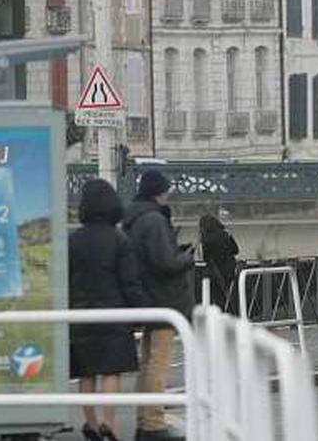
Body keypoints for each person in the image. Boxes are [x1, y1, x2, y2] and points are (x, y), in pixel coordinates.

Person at [70, 179, 149, 441]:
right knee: (111, 371)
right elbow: (129, 281)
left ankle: (90, 424)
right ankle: (109, 424)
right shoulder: (119, 240)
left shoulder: (73, 240)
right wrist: (140, 312)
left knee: (87, 372)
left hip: (80, 314)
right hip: (113, 313)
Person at [122, 170, 194, 441]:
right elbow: (164, 263)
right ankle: (153, 423)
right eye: (165, 190)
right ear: (157, 192)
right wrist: (186, 258)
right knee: (158, 364)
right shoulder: (153, 220)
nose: (167, 195)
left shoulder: (135, 219)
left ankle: (144, 418)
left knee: (147, 363)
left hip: (148, 297)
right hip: (163, 299)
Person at [199, 213, 239, 312]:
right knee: (231, 297)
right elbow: (236, 250)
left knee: (218, 299)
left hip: (216, 273)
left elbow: (205, 258)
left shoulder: (206, 239)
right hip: (230, 271)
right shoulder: (225, 234)